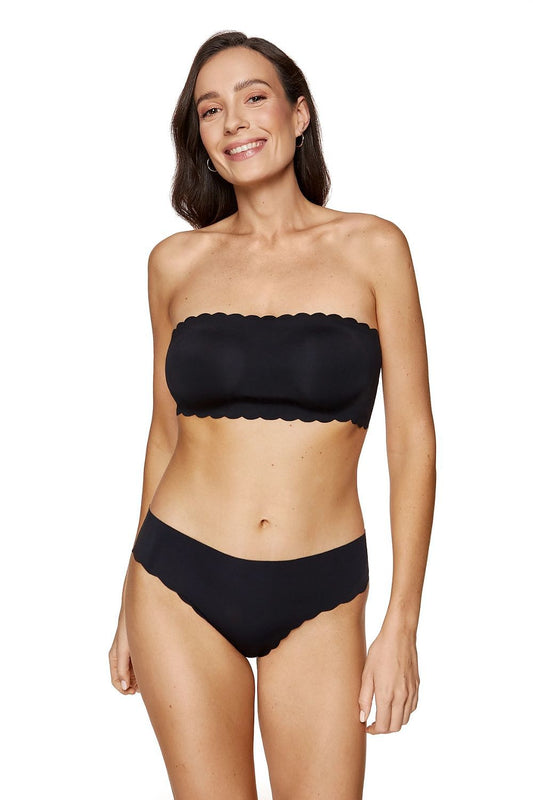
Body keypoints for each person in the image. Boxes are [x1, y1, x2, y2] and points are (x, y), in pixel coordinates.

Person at [108, 29, 436, 800]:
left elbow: (412, 439)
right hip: (176, 578)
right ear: (199, 136)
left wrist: (401, 622)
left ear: (298, 112)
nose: (233, 122)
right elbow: (164, 434)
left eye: (253, 97)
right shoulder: (173, 263)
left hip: (322, 587)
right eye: (209, 109)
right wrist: (125, 601)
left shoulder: (373, 248)